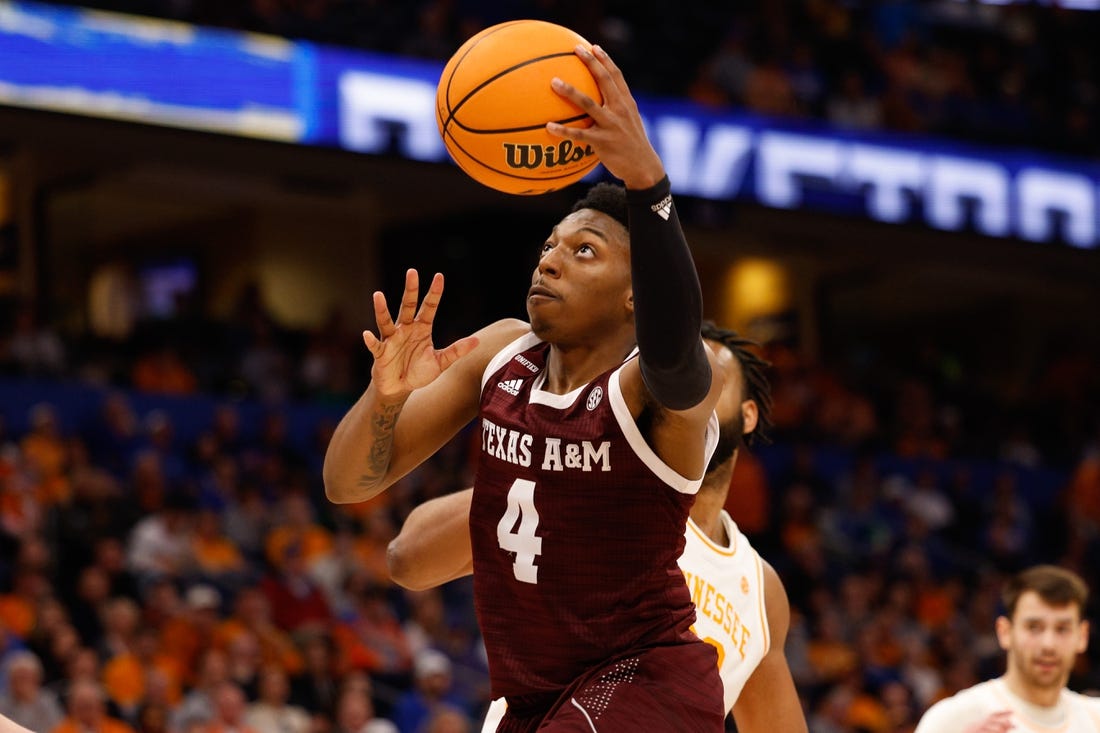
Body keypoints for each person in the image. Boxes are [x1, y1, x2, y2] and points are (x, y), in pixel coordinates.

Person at [324, 42, 728, 731]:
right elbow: (348, 483)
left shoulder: (648, 394)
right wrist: (384, 399)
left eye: (584, 252)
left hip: (647, 676)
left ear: (637, 296)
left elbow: (675, 349)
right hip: (535, 692)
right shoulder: (500, 352)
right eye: (549, 245)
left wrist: (647, 183)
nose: (552, 261)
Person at [386, 323, 808, 732]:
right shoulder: (598, 490)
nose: (689, 387)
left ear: (748, 415)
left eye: (708, 374)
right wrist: (544, 473)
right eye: (671, 372)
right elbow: (407, 557)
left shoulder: (761, 589)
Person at [914, 564, 1100, 732]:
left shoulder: (1095, 718)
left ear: (1082, 636)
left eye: (1062, 629)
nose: (1048, 645)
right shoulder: (954, 719)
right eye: (1034, 627)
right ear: (1005, 632)